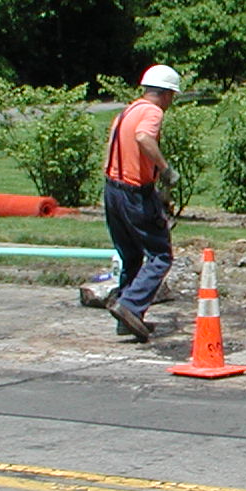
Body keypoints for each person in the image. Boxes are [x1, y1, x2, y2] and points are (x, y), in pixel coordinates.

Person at [102, 64, 182, 341]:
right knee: (160, 255)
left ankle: (125, 316)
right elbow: (143, 137)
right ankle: (130, 306)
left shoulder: (129, 110)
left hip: (113, 190)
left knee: (132, 256)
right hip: (133, 193)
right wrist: (166, 169)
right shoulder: (152, 111)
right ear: (167, 94)